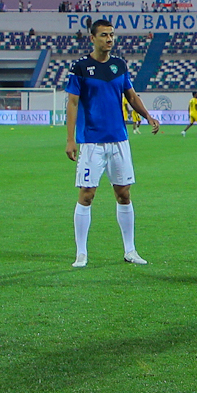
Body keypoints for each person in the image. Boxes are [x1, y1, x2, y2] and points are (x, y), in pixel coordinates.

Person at [62, 18, 158, 267]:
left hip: (119, 140)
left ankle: (130, 250)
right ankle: (81, 253)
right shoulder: (80, 67)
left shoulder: (119, 66)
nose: (109, 39)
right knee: (86, 195)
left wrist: (147, 116)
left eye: (112, 35)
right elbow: (72, 103)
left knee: (124, 194)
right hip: (92, 142)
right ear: (92, 38)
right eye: (104, 35)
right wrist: (70, 139)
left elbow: (131, 95)